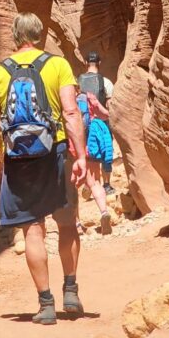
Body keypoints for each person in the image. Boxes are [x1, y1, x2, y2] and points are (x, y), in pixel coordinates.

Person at [0, 13, 88, 325]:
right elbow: (70, 111)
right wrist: (80, 155)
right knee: (67, 222)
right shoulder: (58, 65)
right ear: (40, 35)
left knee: (33, 229)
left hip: (19, 159)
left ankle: (45, 305)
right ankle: (71, 290)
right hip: (55, 151)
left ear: (15, 36)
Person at [78, 51, 116, 193]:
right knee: (106, 151)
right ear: (99, 63)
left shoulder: (78, 81)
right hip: (101, 123)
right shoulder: (105, 82)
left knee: (88, 152)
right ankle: (106, 185)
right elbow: (110, 105)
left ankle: (89, 184)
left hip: (83, 124)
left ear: (86, 63)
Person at [74, 91, 112, 235]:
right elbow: (105, 114)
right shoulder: (88, 96)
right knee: (95, 182)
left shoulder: (63, 97)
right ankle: (104, 212)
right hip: (91, 145)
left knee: (72, 188)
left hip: (72, 147)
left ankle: (77, 224)